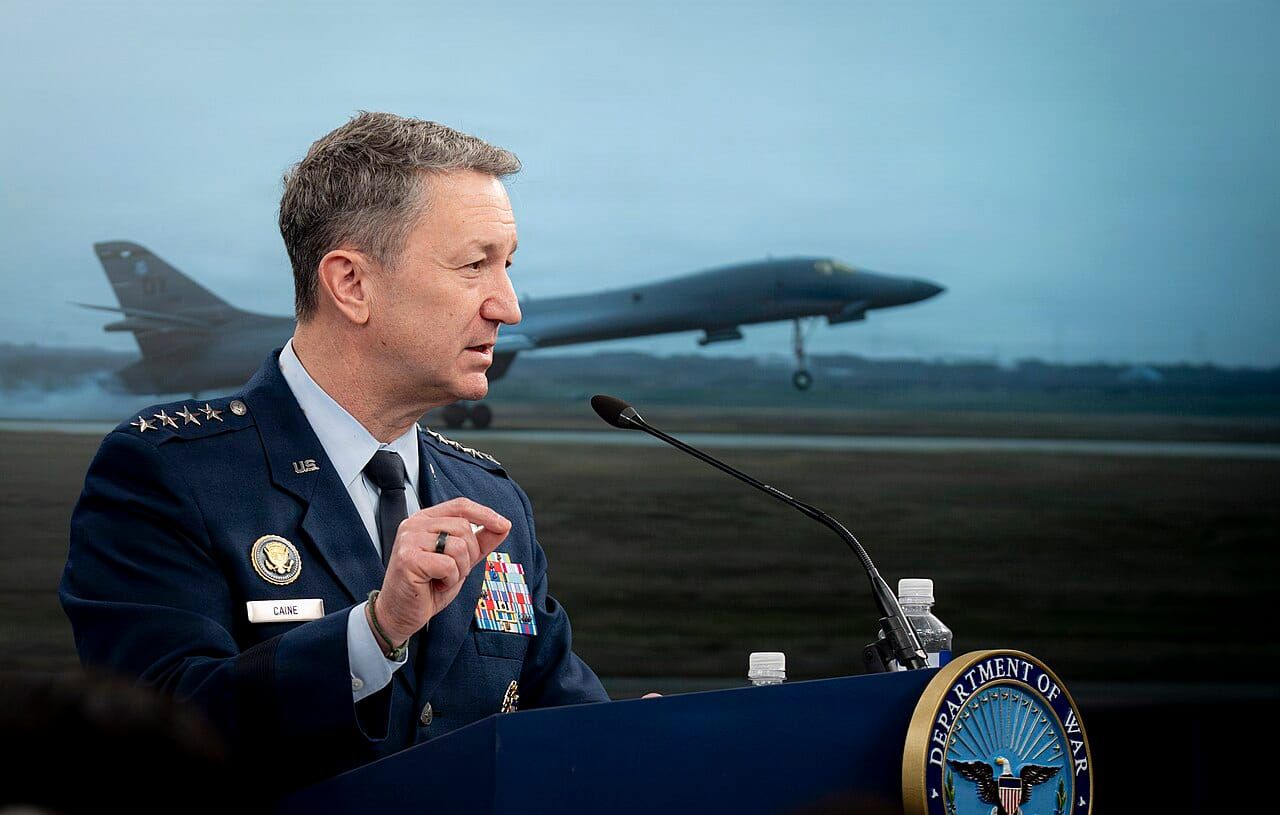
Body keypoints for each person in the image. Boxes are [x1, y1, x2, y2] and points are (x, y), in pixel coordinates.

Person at [59, 112, 609, 787]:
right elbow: (150, 739)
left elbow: (563, 725)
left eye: (509, 267)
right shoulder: (168, 473)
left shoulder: (493, 501)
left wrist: (644, 739)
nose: (509, 306)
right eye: (475, 266)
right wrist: (372, 634)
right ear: (351, 283)